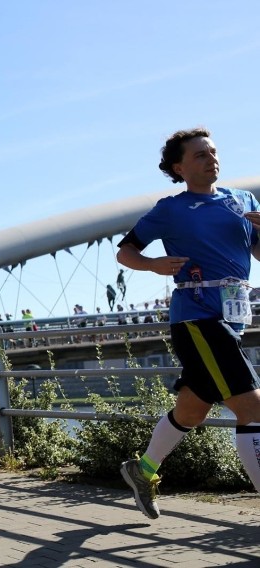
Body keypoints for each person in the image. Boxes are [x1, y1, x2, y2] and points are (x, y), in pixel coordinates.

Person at [117, 127, 260, 520]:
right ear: (179, 167)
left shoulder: (243, 200)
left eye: (213, 151)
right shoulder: (171, 209)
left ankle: (141, 470)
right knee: (253, 409)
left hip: (233, 318)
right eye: (200, 154)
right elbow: (125, 251)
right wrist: (153, 264)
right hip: (197, 319)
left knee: (193, 411)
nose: (211, 158)